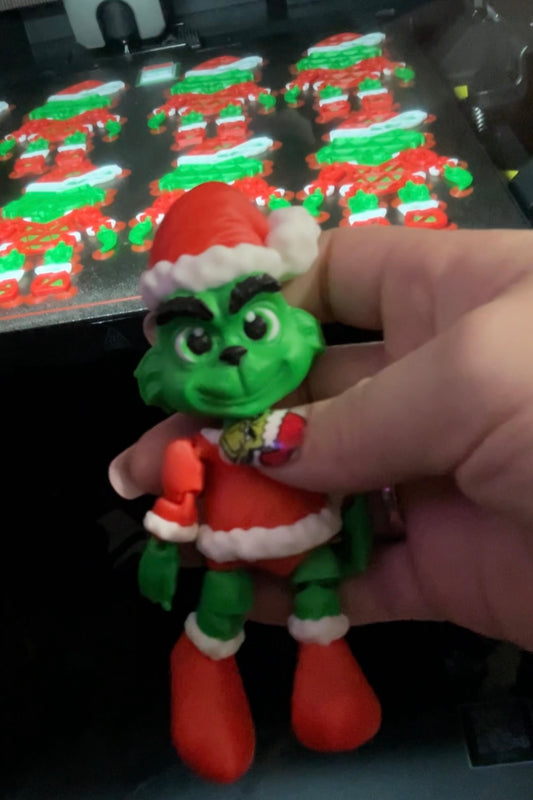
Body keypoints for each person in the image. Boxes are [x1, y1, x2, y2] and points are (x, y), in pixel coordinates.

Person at [109, 225, 533, 653]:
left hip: (311, 546)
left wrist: (358, 521)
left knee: (318, 613)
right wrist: (161, 550)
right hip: (230, 556)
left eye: (256, 325)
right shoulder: (194, 449)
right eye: (197, 341)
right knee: (220, 613)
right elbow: (178, 503)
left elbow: (352, 487)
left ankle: (325, 674)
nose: (234, 353)